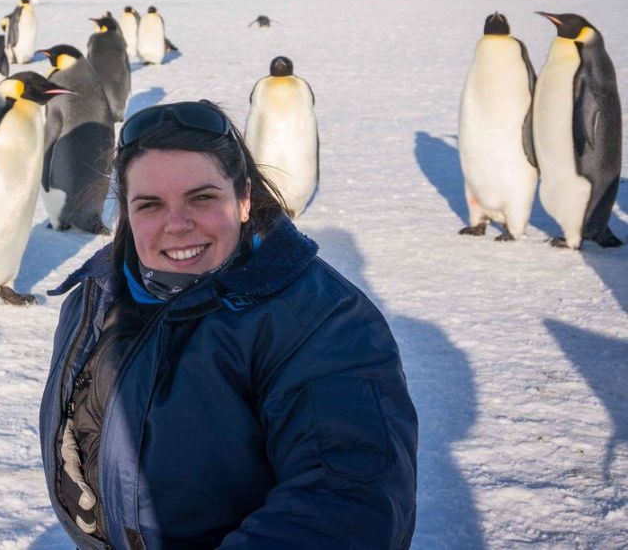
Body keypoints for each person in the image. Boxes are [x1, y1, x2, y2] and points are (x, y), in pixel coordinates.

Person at [39, 100, 418, 549]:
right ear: (124, 211)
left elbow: (348, 497)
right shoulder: (97, 297)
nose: (177, 224)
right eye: (150, 204)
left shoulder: (322, 323)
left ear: (244, 200)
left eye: (202, 198)